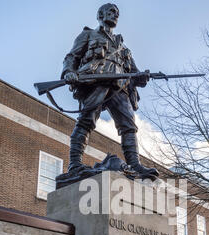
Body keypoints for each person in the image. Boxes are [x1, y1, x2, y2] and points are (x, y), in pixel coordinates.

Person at [62, 3, 159, 179]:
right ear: (100, 14)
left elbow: (134, 73)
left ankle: (134, 164)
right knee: (86, 121)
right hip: (95, 83)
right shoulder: (88, 34)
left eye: (117, 13)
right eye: (111, 11)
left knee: (129, 126)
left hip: (119, 87)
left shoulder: (123, 47)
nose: (115, 15)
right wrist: (69, 72)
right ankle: (75, 164)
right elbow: (71, 57)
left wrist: (142, 77)